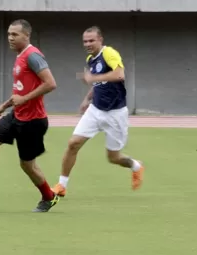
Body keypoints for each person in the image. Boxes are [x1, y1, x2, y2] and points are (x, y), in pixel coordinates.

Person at [0, 19, 60, 213]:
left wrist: (24, 99)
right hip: (16, 115)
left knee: (27, 165)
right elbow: (20, 90)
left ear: (26, 36)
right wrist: (4, 106)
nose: (10, 38)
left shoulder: (33, 56)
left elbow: (51, 84)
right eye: (9, 34)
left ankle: (49, 196)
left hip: (33, 121)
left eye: (15, 35)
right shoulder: (20, 56)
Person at [51, 26, 144, 197]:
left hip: (115, 113)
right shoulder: (90, 59)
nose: (88, 44)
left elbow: (119, 75)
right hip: (95, 110)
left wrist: (93, 78)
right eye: (85, 41)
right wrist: (88, 98)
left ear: (100, 40)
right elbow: (99, 85)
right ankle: (61, 185)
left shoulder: (109, 53)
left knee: (113, 158)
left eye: (91, 40)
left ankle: (136, 166)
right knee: (73, 144)